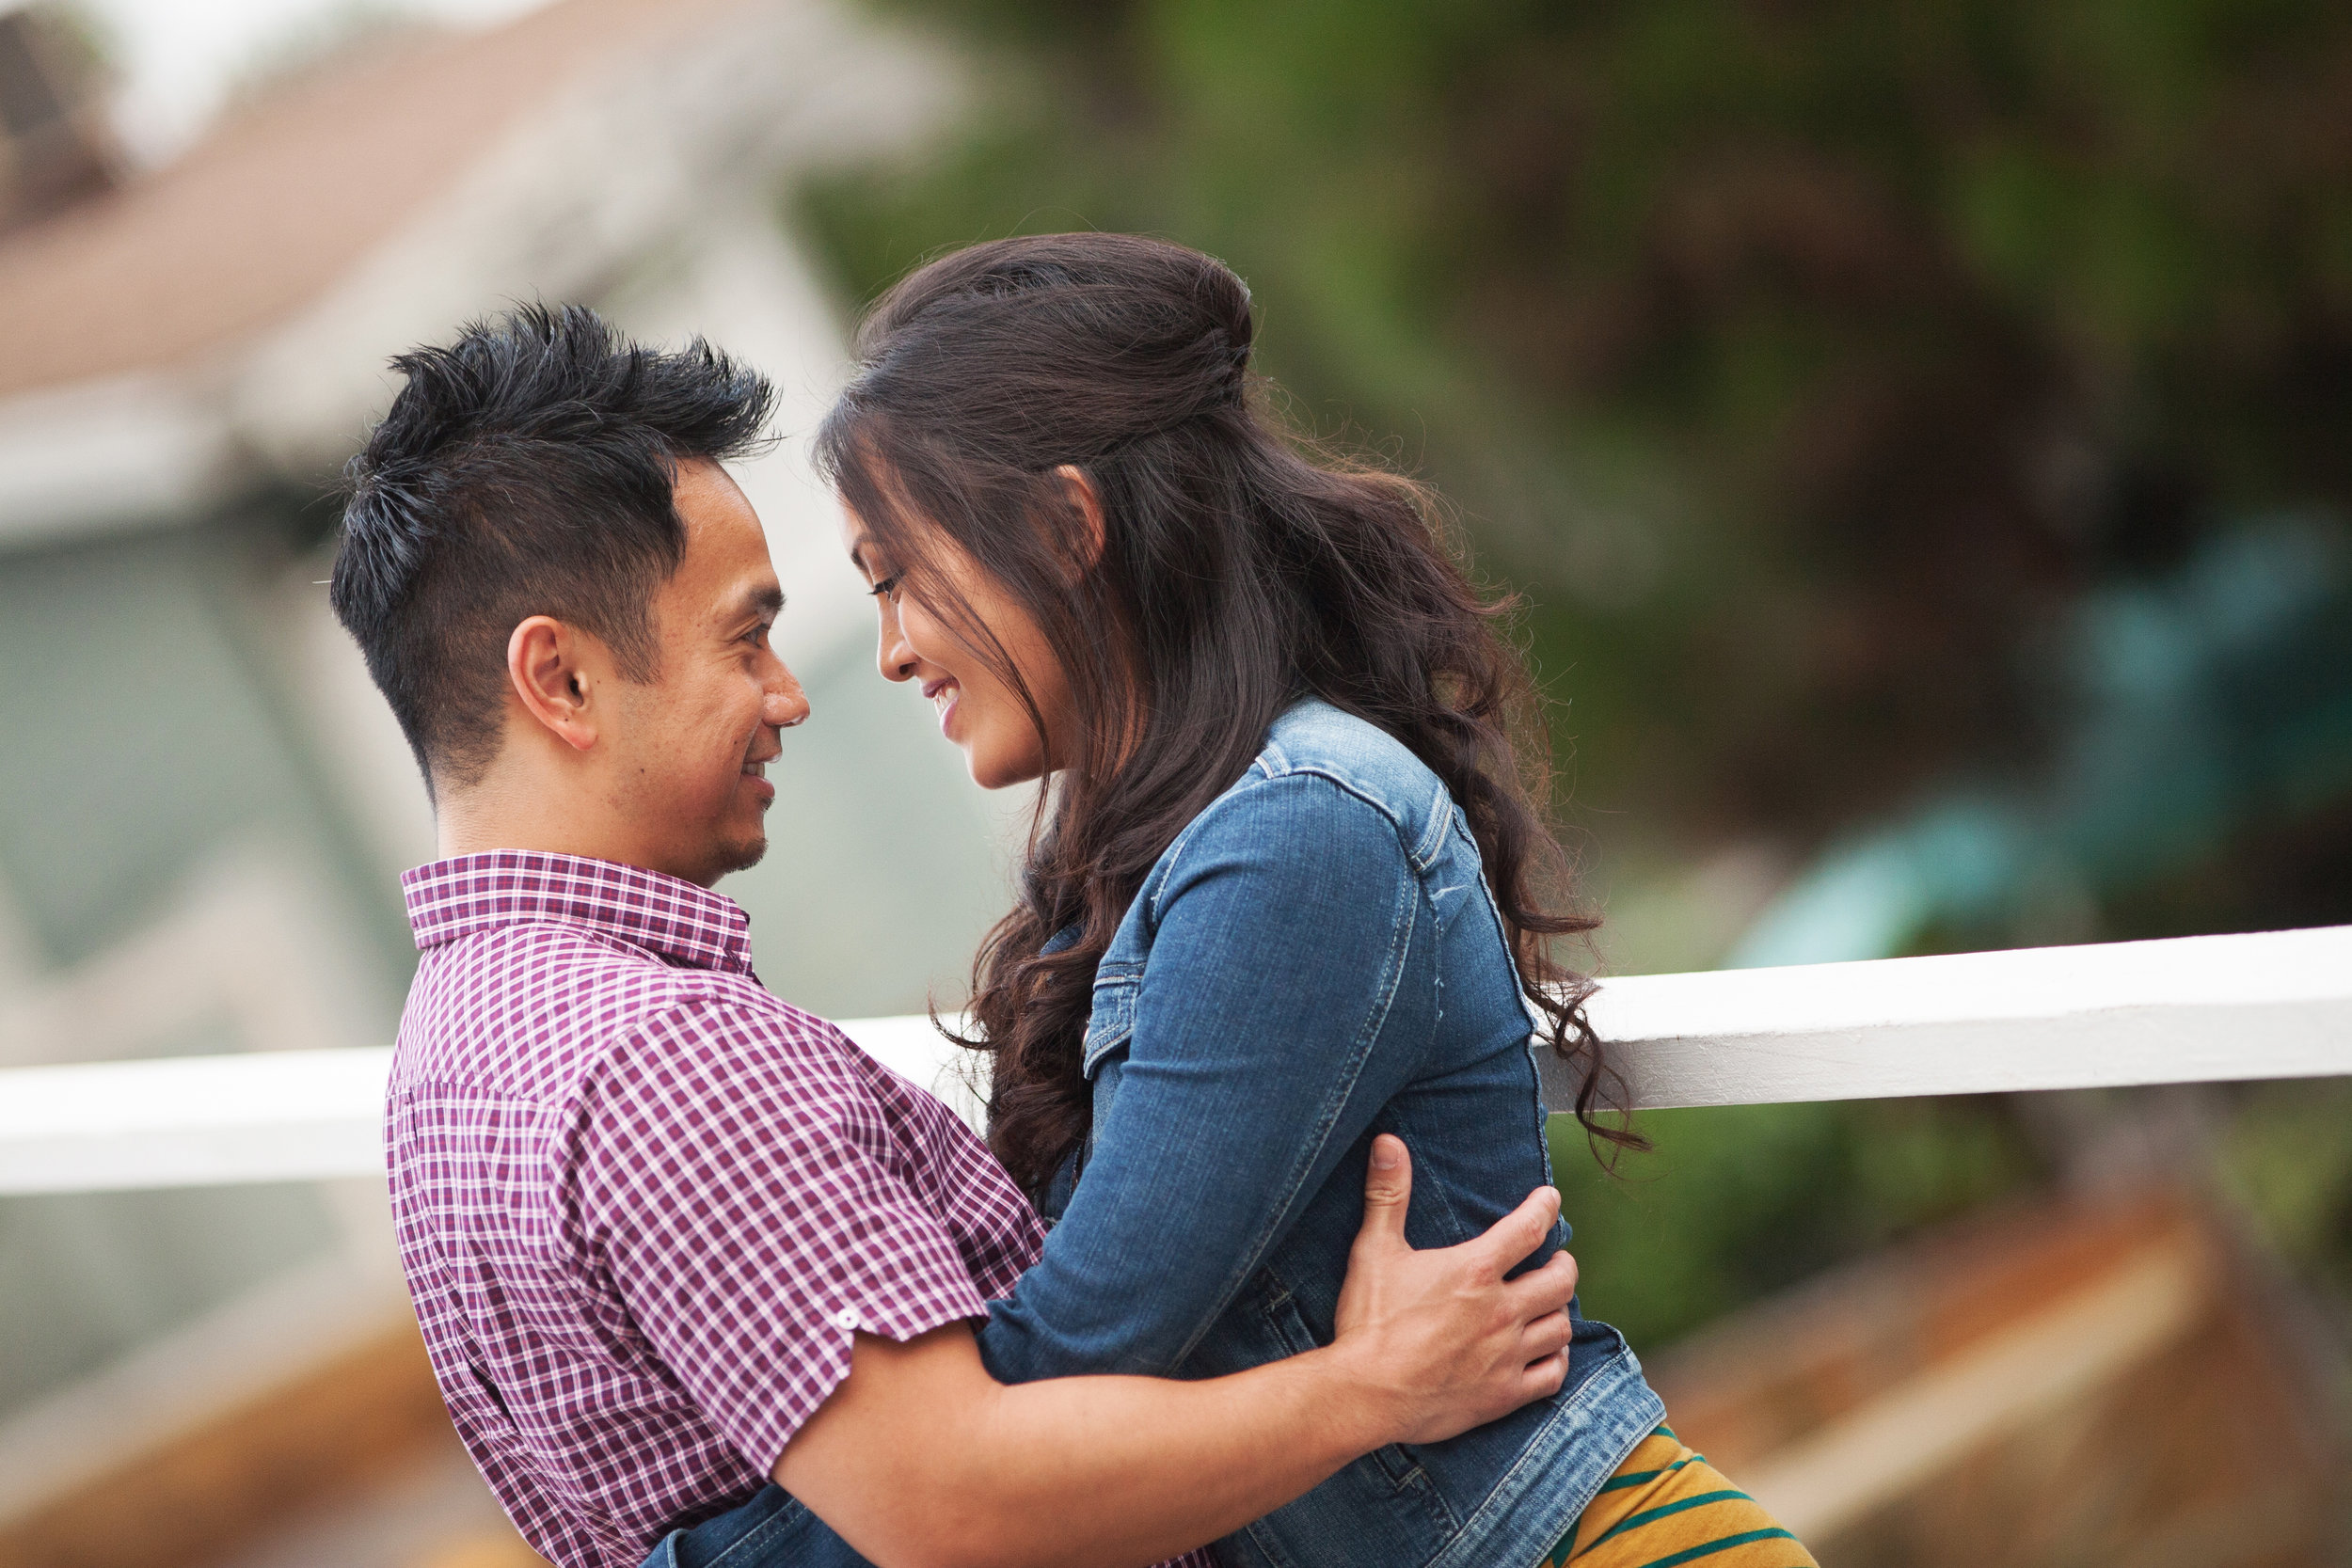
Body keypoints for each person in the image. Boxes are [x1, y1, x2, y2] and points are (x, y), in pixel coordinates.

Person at [331, 304, 1585, 1568]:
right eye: (746, 637)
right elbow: (961, 1507)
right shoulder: (662, 1058)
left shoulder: (447, 1064)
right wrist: (1372, 1387)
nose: (794, 693)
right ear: (560, 681)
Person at [817, 234, 1818, 1568]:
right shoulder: (1136, 866)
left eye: (896, 575)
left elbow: (1061, 1366)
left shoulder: (1297, 834)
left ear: (1066, 528)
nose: (890, 651)